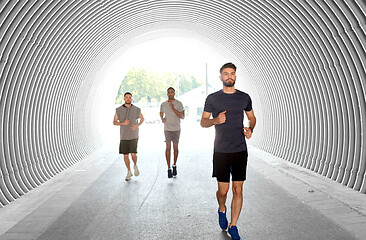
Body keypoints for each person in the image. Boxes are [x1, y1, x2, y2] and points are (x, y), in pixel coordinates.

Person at [200, 62, 256, 240]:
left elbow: (252, 117)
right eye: (226, 74)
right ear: (221, 77)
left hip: (240, 150)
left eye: (232, 73)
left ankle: (233, 226)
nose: (229, 76)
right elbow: (203, 122)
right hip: (221, 151)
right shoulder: (213, 99)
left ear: (235, 76)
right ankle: (221, 209)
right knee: (223, 191)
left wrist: (250, 129)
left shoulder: (244, 98)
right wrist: (215, 120)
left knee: (238, 189)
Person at [113, 92, 144, 181]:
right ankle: (129, 171)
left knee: (133, 153)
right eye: (126, 97)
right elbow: (114, 122)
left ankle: (135, 165)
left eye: (130, 97)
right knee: (125, 155)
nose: (128, 99)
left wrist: (136, 126)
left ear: (132, 99)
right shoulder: (118, 110)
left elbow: (142, 119)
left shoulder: (136, 109)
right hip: (123, 136)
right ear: (124, 99)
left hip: (134, 135)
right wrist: (123, 123)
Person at [160, 87, 185, 178]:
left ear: (174, 93)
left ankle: (174, 165)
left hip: (176, 129)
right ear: (167, 94)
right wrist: (162, 118)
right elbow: (161, 112)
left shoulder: (179, 103)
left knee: (175, 148)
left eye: (172, 92)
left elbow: (182, 116)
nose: (170, 94)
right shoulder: (163, 104)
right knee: (167, 148)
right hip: (167, 129)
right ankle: (169, 168)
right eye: (169, 92)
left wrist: (173, 108)